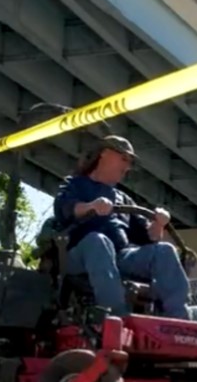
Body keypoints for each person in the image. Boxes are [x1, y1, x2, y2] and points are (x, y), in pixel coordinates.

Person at [53, 135, 190, 319]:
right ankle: (116, 319)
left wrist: (159, 223)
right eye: (124, 158)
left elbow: (150, 237)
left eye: (130, 162)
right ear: (104, 153)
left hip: (120, 256)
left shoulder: (123, 198)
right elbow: (64, 208)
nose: (127, 167)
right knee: (98, 241)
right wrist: (91, 206)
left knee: (164, 250)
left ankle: (179, 321)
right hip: (79, 255)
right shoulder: (76, 184)